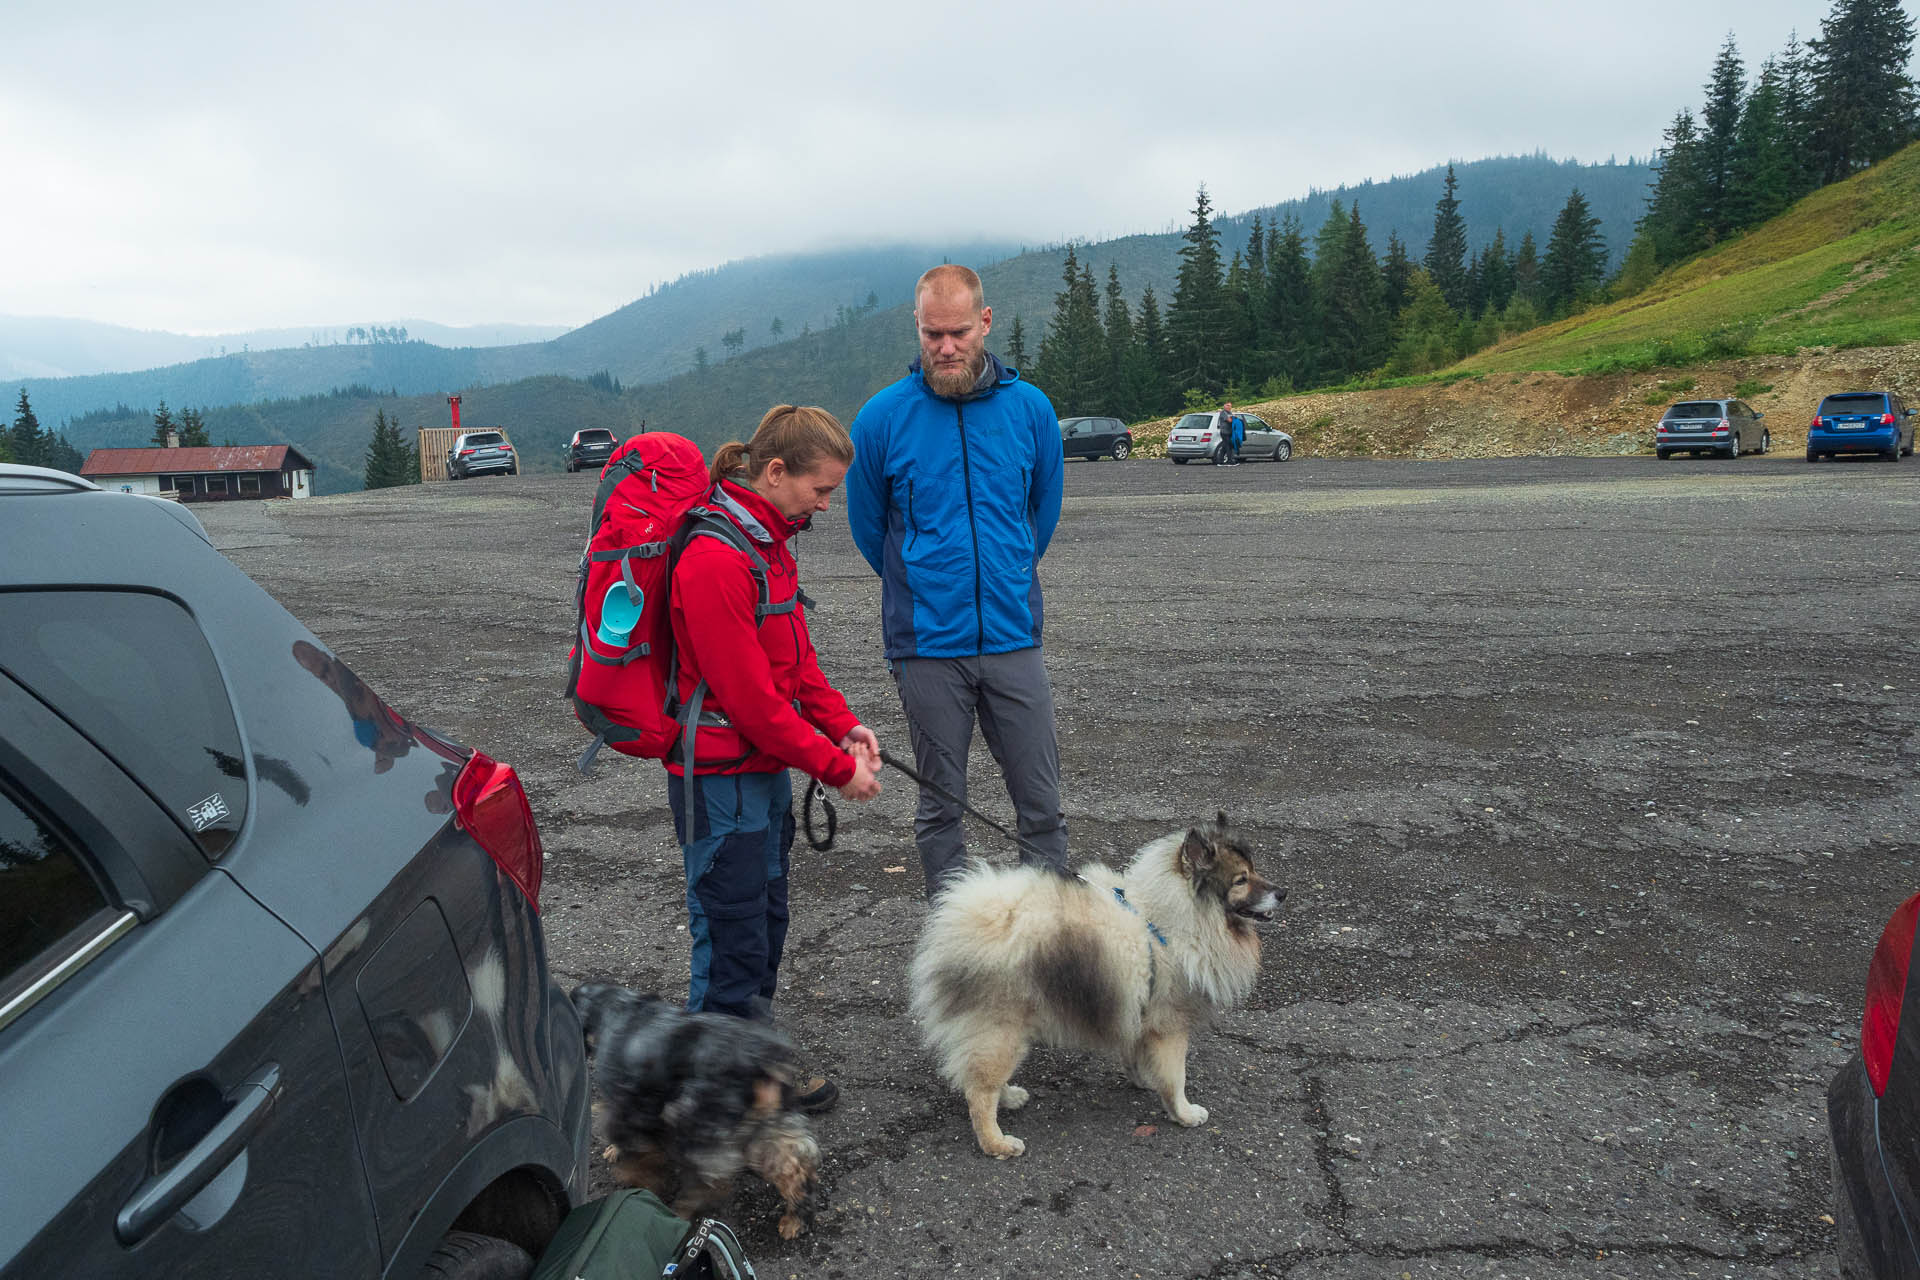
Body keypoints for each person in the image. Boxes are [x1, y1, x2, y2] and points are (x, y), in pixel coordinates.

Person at [666, 404, 883, 1109]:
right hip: (721, 780)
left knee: (764, 922)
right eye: (820, 490)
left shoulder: (770, 542)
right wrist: (835, 768)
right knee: (728, 933)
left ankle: (752, 1066)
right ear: (775, 471)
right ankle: (706, 1106)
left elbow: (797, 666)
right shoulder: (714, 559)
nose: (825, 504)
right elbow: (753, 703)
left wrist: (845, 727)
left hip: (761, 776)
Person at [847, 265, 1068, 897]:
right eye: (933, 333)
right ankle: (959, 951)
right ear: (915, 326)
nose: (946, 347)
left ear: (986, 323)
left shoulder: (1031, 411)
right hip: (927, 649)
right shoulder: (881, 419)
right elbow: (871, 533)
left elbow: (1040, 517)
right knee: (942, 809)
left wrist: (1004, 574)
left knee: (1042, 807)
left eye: (960, 332)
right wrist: (926, 582)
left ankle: (1050, 945)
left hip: (1012, 639)